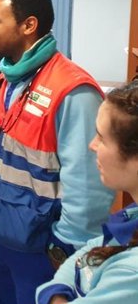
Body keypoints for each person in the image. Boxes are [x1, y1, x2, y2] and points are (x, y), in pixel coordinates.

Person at [0, 0, 115, 304]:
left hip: (41, 248)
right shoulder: (5, 78)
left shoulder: (73, 90)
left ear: (28, 25)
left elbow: (89, 183)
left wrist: (64, 248)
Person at [36, 81, 138, 304]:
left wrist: (55, 293)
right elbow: (83, 255)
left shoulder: (131, 275)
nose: (92, 145)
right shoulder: (131, 216)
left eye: (101, 137)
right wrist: (56, 291)